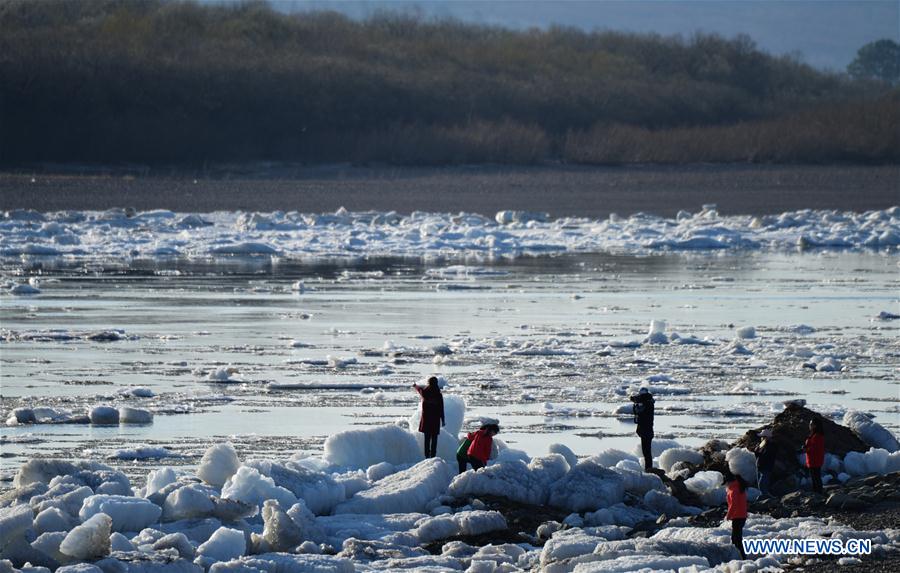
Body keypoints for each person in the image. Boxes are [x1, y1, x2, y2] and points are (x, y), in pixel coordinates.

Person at [413, 376, 445, 458]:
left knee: (427, 439)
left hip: (426, 420)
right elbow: (441, 408)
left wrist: (415, 385)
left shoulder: (425, 393)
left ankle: (427, 456)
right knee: (434, 439)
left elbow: (419, 389)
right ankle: (433, 456)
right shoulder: (438, 395)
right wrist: (443, 420)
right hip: (435, 420)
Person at [724, 469, 749, 559]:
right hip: (742, 516)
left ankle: (741, 557)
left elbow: (734, 504)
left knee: (736, 539)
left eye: (726, 483)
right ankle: (741, 557)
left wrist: (728, 515)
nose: (725, 485)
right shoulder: (739, 487)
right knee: (737, 538)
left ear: (729, 482)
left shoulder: (733, 490)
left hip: (737, 517)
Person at [631, 388, 655, 471]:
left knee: (646, 452)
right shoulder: (647, 402)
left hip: (646, 431)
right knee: (646, 452)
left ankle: (649, 469)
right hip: (645, 430)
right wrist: (636, 402)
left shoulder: (647, 403)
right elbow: (636, 411)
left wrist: (636, 400)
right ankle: (648, 468)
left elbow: (639, 411)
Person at [803, 417, 825, 493]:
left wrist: (805, 449)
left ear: (815, 425)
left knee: (816, 477)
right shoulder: (815, 435)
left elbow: (814, 448)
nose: (809, 425)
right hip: (813, 460)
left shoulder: (817, 436)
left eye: (811, 424)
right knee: (815, 477)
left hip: (815, 460)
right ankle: (818, 493)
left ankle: (818, 493)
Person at [754, 428, 776, 496]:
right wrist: (757, 449)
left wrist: (758, 450)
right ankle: (763, 497)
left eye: (762, 437)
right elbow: (757, 455)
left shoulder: (770, 446)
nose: (761, 438)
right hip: (760, 467)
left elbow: (765, 456)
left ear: (766, 437)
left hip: (765, 468)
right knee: (760, 484)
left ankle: (765, 498)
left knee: (762, 485)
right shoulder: (763, 445)